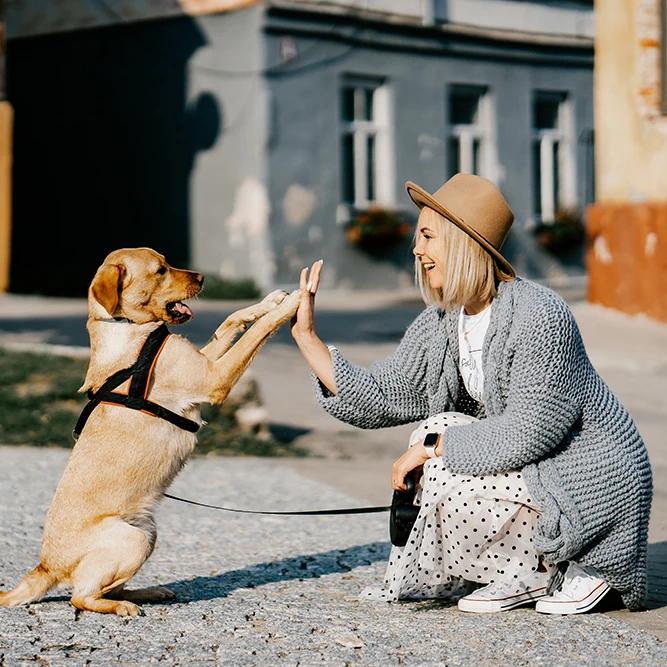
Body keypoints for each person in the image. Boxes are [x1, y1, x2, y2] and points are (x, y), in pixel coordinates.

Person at [290, 173, 653, 614]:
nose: (416, 249)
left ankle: (561, 566)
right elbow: (386, 393)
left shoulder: (540, 315)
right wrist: (309, 339)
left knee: (437, 448)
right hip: (537, 471)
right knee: (435, 429)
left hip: (589, 479)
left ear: (463, 241)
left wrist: (431, 450)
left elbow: (530, 431)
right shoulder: (444, 321)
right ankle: (517, 570)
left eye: (427, 236)